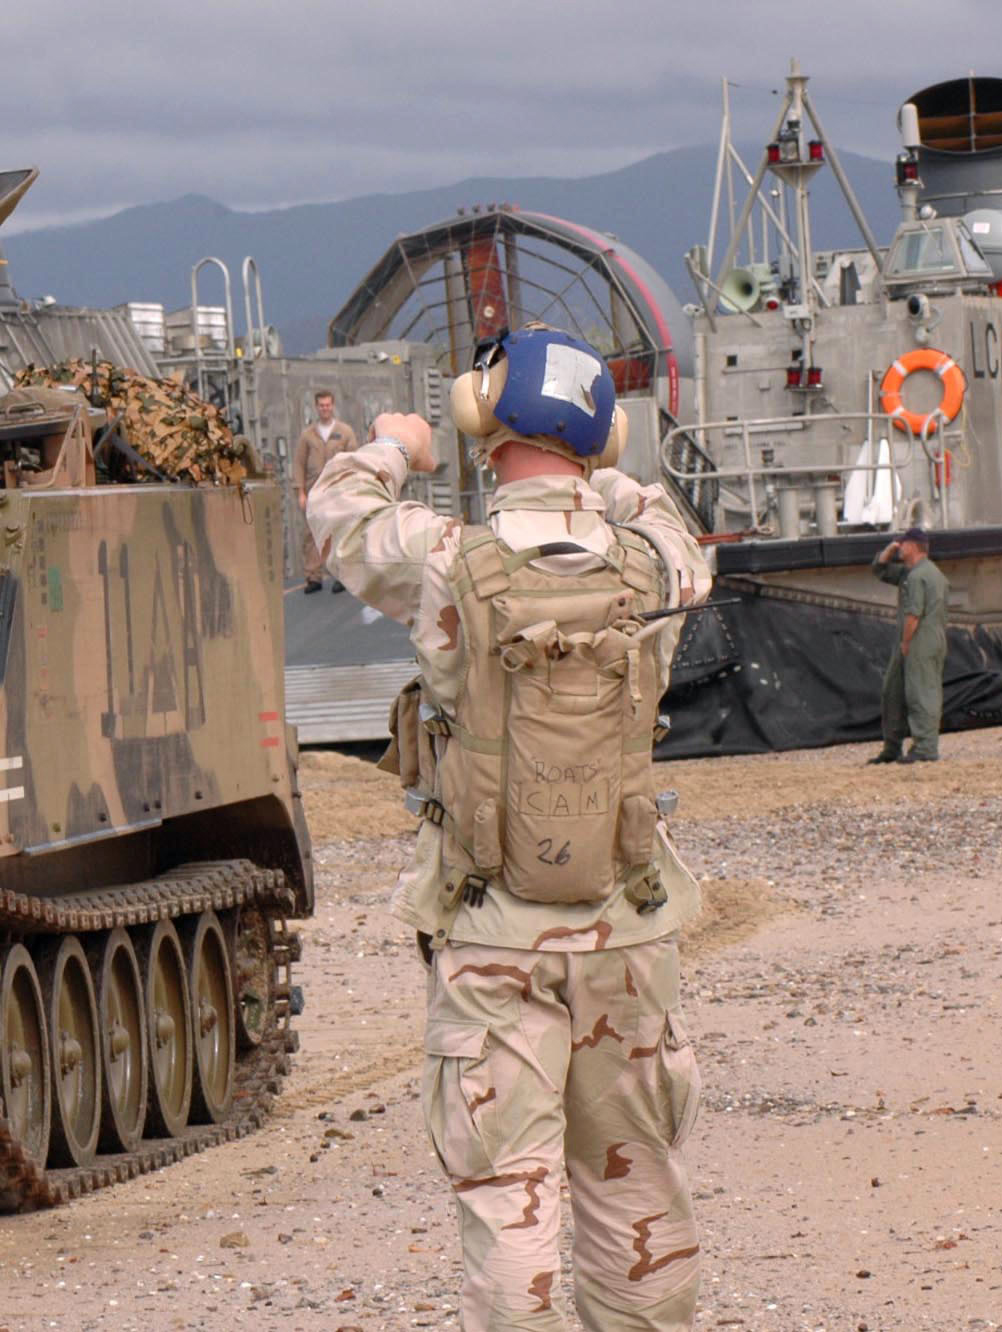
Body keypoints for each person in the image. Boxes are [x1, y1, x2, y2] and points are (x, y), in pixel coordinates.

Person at [308, 327, 711, 1331]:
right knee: (637, 1185)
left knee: (508, 1195)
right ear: (601, 437)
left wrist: (396, 445)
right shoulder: (658, 562)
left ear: (481, 417)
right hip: (626, 924)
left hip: (490, 929)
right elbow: (656, 511)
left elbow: (338, 509)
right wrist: (599, 474)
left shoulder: (445, 560)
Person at [869, 525, 948, 764]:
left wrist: (905, 642)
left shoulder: (917, 576)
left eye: (902, 544)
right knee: (893, 691)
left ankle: (925, 747)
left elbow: (913, 615)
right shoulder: (914, 573)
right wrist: (888, 550)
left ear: (913, 546)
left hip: (919, 640)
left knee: (921, 693)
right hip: (917, 639)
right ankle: (892, 747)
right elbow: (881, 570)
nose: (899, 547)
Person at [295, 389, 356, 592]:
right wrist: (301, 492)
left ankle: (341, 576)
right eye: (321, 405)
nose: (325, 409)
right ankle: (313, 577)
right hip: (314, 492)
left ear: (333, 405)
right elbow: (299, 464)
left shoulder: (345, 432)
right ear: (316, 407)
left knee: (339, 533)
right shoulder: (307, 435)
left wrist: (352, 490)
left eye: (328, 405)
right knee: (312, 534)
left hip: (338, 491)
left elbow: (353, 461)